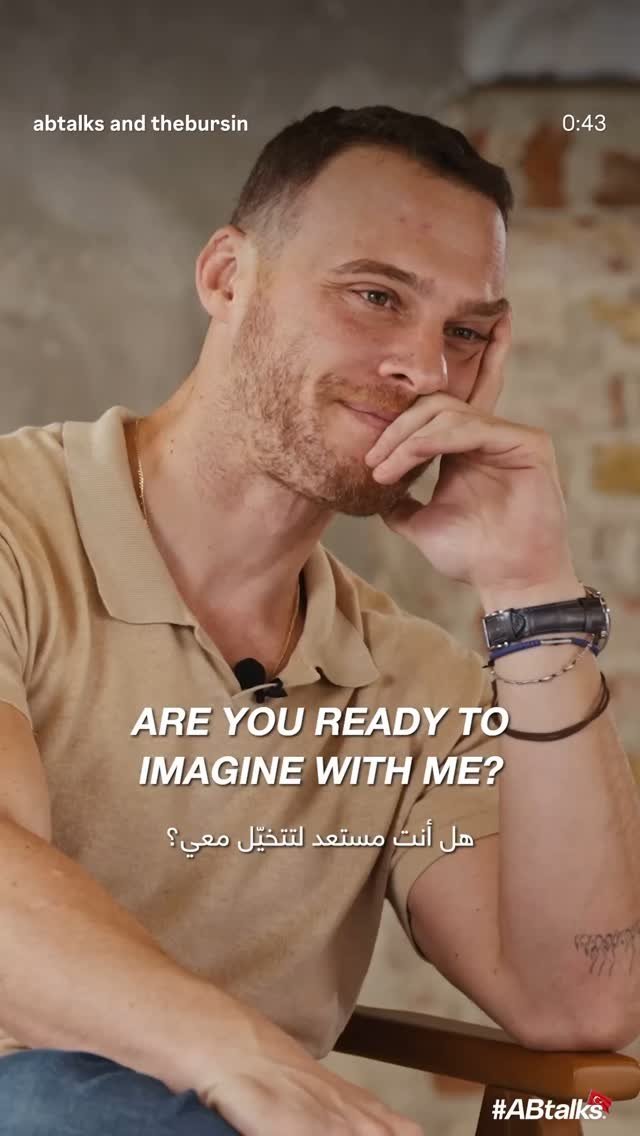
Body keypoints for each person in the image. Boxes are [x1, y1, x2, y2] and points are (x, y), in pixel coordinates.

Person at [0, 105, 638, 1136]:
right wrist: (239, 1057)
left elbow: (578, 1003)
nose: (424, 369)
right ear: (226, 277)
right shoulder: (15, 526)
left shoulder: (410, 683)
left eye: (464, 332)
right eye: (375, 296)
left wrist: (533, 593)